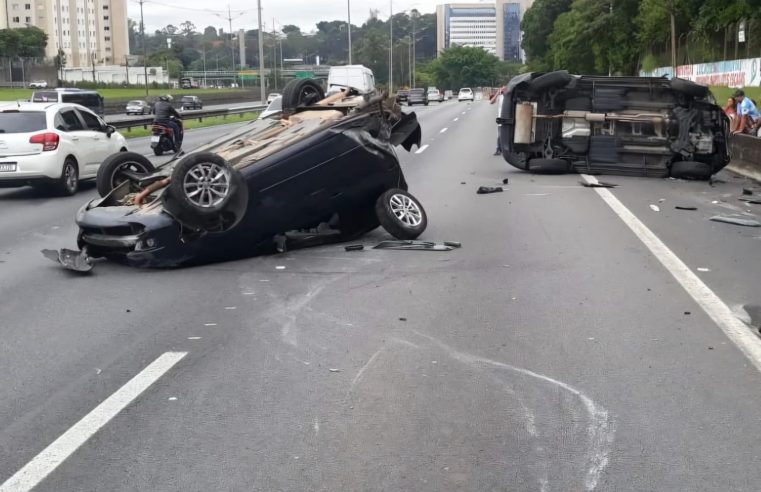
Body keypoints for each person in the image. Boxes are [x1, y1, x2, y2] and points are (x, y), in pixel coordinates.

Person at [490, 86, 507, 155]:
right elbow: (491, 101)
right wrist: (497, 93)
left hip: (508, 118)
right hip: (501, 118)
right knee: (499, 135)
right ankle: (498, 149)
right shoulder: (500, 97)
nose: (503, 91)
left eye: (504, 89)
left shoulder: (509, 96)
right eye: (502, 90)